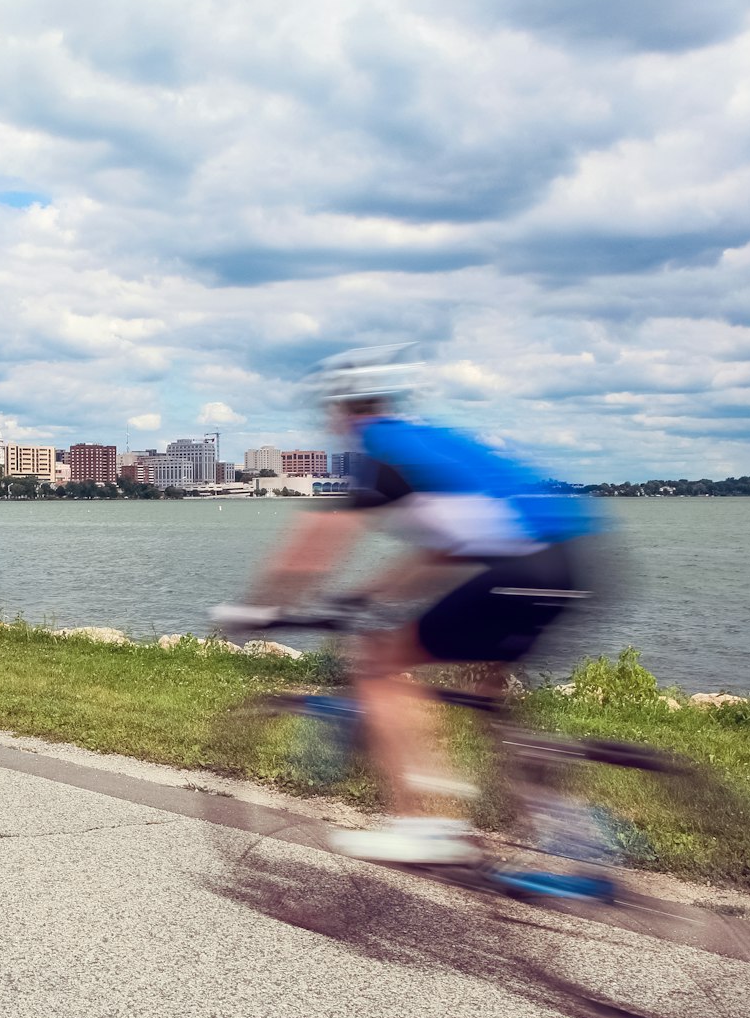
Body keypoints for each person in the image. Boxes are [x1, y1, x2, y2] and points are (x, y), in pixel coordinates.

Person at [213, 344, 602, 864]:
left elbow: (310, 552)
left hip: (522, 571)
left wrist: (255, 609)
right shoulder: (429, 444)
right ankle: (567, 825)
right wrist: (370, 596)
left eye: (330, 412)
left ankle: (426, 826)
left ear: (343, 409)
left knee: (380, 664)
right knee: (490, 694)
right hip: (574, 565)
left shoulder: (381, 451)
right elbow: (441, 551)